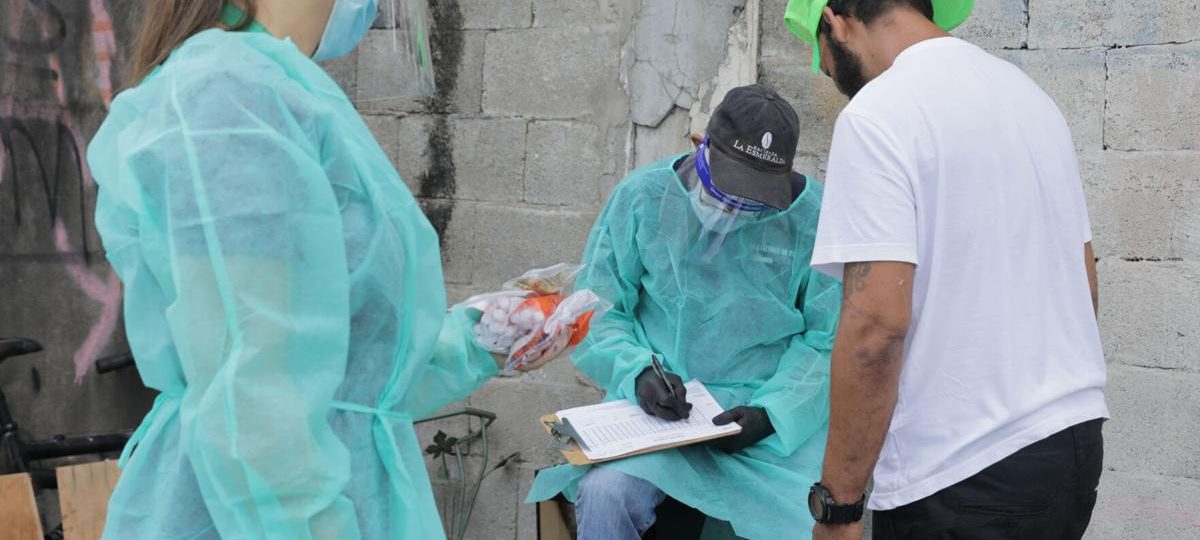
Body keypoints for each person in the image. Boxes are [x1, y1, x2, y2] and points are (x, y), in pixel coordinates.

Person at [87, 1, 565, 538]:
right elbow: (252, 395)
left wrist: (484, 336)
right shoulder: (229, 94)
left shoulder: (269, 89)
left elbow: (351, 378)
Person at [782, 1, 1109, 539]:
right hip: (1069, 445)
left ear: (836, 20)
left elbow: (874, 330)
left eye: (818, 50)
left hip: (961, 474)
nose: (823, 68)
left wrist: (837, 508)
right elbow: (1083, 280)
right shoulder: (1029, 99)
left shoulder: (878, 114)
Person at [527, 85, 842, 540]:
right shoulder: (642, 197)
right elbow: (596, 308)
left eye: (755, 199)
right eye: (729, 190)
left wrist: (771, 413)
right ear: (700, 146)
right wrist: (637, 371)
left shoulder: (813, 218)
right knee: (605, 496)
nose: (736, 209)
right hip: (659, 416)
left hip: (767, 426)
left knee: (797, 523)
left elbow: (826, 339)